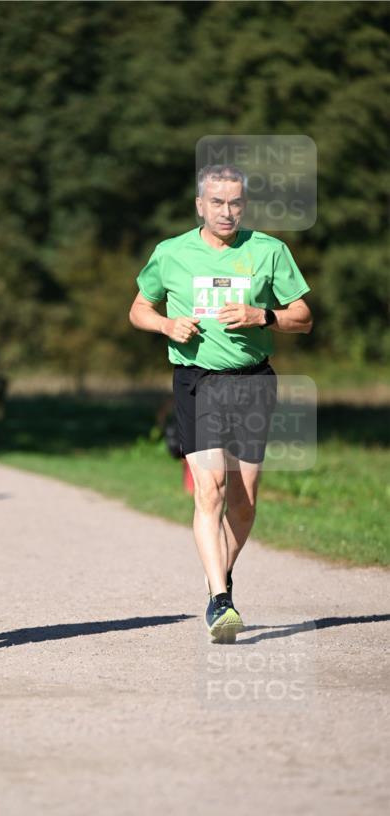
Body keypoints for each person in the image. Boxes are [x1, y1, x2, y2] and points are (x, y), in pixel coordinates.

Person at [129, 164, 312, 643]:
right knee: (209, 490)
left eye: (234, 202)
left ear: (243, 205)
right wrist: (166, 325)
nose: (226, 212)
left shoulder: (269, 250)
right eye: (216, 202)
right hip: (198, 381)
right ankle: (220, 599)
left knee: (243, 504)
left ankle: (219, 576)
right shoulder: (171, 253)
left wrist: (262, 315)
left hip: (253, 382)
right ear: (200, 205)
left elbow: (303, 317)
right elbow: (139, 309)